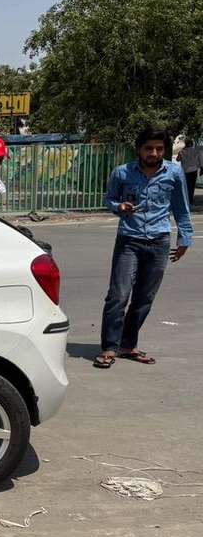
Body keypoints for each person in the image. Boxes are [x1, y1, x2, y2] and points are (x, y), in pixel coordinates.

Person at [94, 126, 194, 369]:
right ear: (139, 149)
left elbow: (181, 207)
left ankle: (128, 345)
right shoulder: (122, 173)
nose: (154, 153)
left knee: (144, 298)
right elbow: (110, 200)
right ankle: (109, 347)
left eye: (159, 148)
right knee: (118, 295)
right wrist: (120, 207)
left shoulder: (174, 172)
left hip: (159, 241)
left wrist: (185, 238)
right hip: (129, 239)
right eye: (149, 148)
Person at [176, 137, 200, 206]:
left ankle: (186, 199)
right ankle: (191, 199)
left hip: (185, 171)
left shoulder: (182, 151)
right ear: (192, 144)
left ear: (185, 144)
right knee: (192, 186)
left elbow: (178, 160)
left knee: (185, 185)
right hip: (194, 170)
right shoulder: (196, 151)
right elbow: (200, 160)